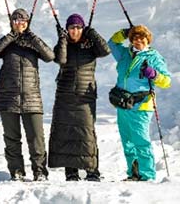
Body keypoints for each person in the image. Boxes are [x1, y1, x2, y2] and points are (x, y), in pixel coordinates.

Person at [0, 8, 55, 181]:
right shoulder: (8, 43)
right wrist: (10, 37)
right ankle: (16, 171)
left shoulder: (32, 42)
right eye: (15, 20)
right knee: (12, 139)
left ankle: (39, 172)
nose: (19, 23)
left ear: (28, 22)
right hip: (8, 99)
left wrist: (31, 36)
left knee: (36, 138)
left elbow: (50, 56)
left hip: (32, 98)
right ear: (11, 22)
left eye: (23, 20)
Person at [48, 14, 110, 182]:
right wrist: (62, 40)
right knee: (67, 133)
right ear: (67, 30)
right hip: (64, 95)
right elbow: (60, 60)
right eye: (71, 28)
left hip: (85, 96)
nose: (75, 31)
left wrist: (93, 33)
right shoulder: (64, 44)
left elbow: (105, 50)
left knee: (87, 134)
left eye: (78, 28)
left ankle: (92, 171)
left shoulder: (90, 45)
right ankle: (71, 172)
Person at [108, 25, 171, 181]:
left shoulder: (153, 57)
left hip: (141, 106)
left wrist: (154, 74)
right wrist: (123, 32)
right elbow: (112, 43)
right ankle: (134, 173)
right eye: (135, 38)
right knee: (127, 142)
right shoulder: (125, 54)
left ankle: (147, 175)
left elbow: (167, 81)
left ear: (147, 39)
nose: (138, 41)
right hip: (123, 105)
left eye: (142, 38)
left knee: (141, 142)